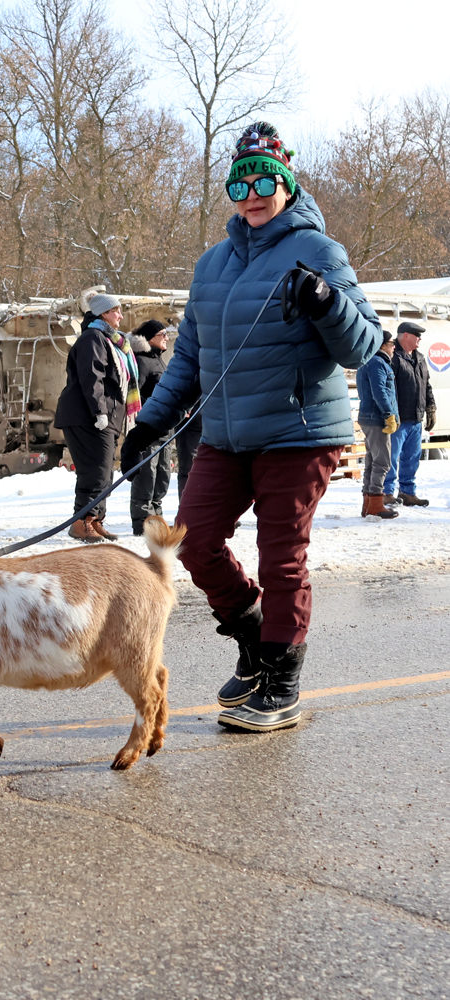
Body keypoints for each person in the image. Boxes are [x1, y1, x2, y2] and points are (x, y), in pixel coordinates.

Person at [120, 121, 382, 732]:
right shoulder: (212, 264)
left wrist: (327, 302)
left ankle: (282, 683)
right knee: (190, 540)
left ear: (286, 184)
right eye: (240, 185)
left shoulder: (320, 251)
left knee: (280, 558)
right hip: (226, 436)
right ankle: (254, 636)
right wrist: (150, 424)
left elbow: (364, 345)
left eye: (265, 182)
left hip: (299, 432)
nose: (252, 195)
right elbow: (189, 357)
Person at [54, 292, 141, 542]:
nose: (120, 315)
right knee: (94, 471)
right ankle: (82, 522)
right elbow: (92, 377)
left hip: (108, 417)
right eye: (116, 311)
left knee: (105, 473)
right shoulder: (93, 338)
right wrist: (99, 411)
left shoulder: (112, 341)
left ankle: (95, 519)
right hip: (88, 417)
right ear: (103, 313)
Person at [382, 321, 436, 508]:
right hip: (397, 419)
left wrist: (431, 408)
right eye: (417, 335)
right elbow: (386, 388)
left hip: (415, 419)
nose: (420, 339)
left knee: (412, 459)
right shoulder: (393, 357)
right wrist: (389, 414)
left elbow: (426, 386)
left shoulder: (419, 358)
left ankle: (407, 493)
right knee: (391, 458)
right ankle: (387, 493)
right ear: (405, 335)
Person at [128, 320, 173, 535]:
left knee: (163, 475)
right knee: (147, 475)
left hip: (165, 429)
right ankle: (143, 522)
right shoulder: (142, 362)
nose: (167, 337)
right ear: (149, 338)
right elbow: (134, 395)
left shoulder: (160, 361)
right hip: (148, 429)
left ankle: (157, 518)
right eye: (162, 334)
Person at [356, 331, 399, 519]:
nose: (394, 347)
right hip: (377, 419)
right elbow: (379, 391)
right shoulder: (377, 363)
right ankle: (375, 503)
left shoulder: (368, 361)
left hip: (370, 417)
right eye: (391, 343)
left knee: (372, 461)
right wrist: (388, 414)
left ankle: (368, 503)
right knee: (382, 462)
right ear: (382, 345)